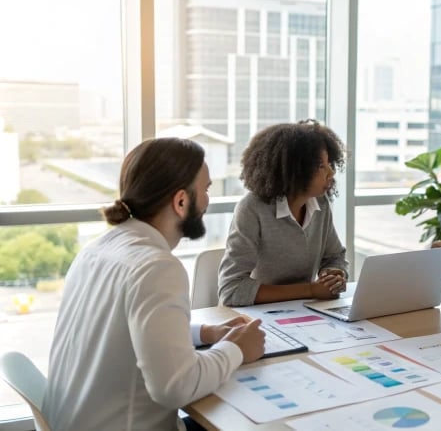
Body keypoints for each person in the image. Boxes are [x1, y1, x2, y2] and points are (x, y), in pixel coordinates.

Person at [42, 138, 267, 430]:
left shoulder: (97, 250)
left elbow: (125, 330)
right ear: (181, 201)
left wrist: (206, 332)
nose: (208, 200)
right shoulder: (156, 267)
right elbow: (176, 386)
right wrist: (237, 349)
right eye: (206, 189)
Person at [218, 120, 348, 306]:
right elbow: (232, 290)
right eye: (320, 166)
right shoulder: (252, 208)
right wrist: (310, 290)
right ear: (296, 170)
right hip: (257, 318)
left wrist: (333, 274)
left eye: (329, 163)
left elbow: (334, 256)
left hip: (303, 313)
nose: (331, 172)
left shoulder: (320, 202)